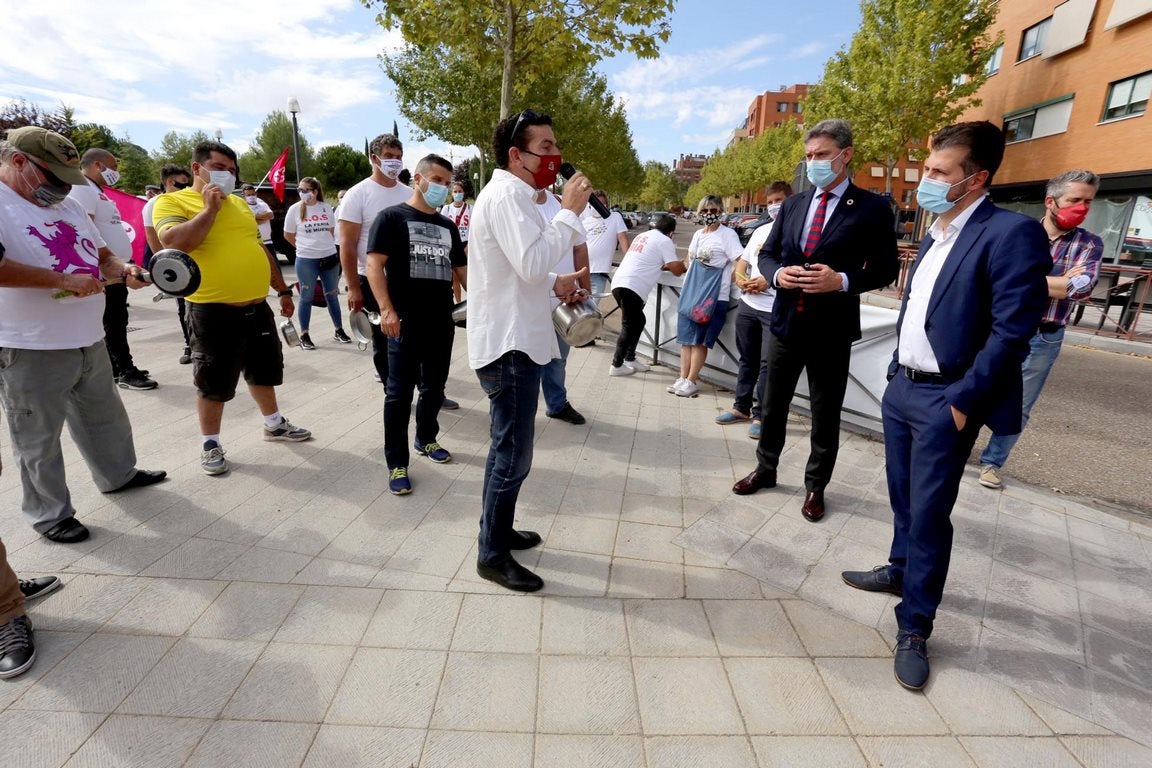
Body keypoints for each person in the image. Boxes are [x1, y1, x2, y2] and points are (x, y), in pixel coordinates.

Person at [841, 121, 1050, 690]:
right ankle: (899, 569)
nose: (925, 180)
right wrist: (893, 374)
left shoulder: (1012, 234)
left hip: (946, 399)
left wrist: (961, 405)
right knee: (903, 497)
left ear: (976, 178)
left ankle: (915, 625)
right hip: (902, 389)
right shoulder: (937, 232)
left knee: (931, 515)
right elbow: (919, 307)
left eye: (938, 172)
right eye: (928, 168)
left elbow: (1013, 333)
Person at [0, 127, 167, 543]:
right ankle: (50, 514)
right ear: (18, 162)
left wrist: (122, 270)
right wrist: (61, 280)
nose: (61, 188)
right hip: (29, 344)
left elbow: (101, 253)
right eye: (53, 177)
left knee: (104, 416)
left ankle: (118, 474)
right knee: (38, 437)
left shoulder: (68, 204)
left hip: (87, 335)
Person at [733, 119, 899, 524]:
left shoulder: (873, 208)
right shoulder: (792, 205)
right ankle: (766, 469)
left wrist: (841, 280)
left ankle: (815, 487)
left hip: (832, 329)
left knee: (826, 413)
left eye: (822, 155)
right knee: (772, 404)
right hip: (785, 322)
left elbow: (885, 268)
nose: (814, 164)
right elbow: (769, 253)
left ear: (846, 155)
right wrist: (776, 275)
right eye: (809, 157)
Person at [467, 108, 591, 592]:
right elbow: (532, 258)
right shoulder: (505, 196)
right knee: (512, 456)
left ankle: (497, 531)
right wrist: (569, 212)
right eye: (545, 148)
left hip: (521, 338)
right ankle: (491, 555)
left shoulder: (519, 196)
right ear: (516, 155)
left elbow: (526, 271)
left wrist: (557, 283)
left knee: (507, 452)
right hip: (510, 346)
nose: (555, 157)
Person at [154, 140, 312, 475]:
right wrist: (208, 209)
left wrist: (282, 289)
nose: (227, 174)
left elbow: (259, 249)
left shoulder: (240, 206)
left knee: (263, 368)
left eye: (231, 169)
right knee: (213, 379)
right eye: (219, 167)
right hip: (212, 309)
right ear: (197, 169)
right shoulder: (171, 202)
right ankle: (210, 443)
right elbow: (173, 242)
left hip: (257, 306)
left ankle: (273, 424)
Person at [975, 169, 1104, 490]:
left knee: (1020, 404)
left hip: (1045, 334)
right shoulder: (1018, 232)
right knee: (977, 386)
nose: (1082, 208)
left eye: (1088, 201)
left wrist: (1021, 280)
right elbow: (991, 278)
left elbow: (1080, 289)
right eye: (1075, 200)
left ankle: (992, 462)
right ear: (1051, 201)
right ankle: (956, 446)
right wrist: (1057, 282)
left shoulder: (1089, 244)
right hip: (998, 328)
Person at [366, 155, 468, 495]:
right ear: (418, 180)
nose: (442, 186)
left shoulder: (448, 226)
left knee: (435, 388)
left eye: (446, 180)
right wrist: (387, 310)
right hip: (403, 322)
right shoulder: (391, 218)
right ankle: (397, 462)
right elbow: (373, 266)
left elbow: (463, 273)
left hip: (441, 321)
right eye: (436, 179)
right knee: (398, 394)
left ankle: (426, 438)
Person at [69, 148, 157, 391]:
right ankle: (125, 370)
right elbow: (82, 230)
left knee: (116, 319)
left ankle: (117, 367)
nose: (115, 173)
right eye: (113, 168)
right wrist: (99, 268)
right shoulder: (82, 188)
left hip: (115, 268)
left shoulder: (97, 191)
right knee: (114, 321)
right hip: (104, 272)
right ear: (98, 165)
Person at [716, 182, 793, 438]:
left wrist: (768, 280)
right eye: (770, 202)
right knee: (747, 358)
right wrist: (740, 278)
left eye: (779, 200)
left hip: (775, 308)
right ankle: (741, 407)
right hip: (749, 305)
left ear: (791, 201)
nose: (774, 206)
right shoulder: (761, 231)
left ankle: (762, 416)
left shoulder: (795, 232)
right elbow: (744, 261)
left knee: (767, 364)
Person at [338, 133, 412, 384]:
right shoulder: (357, 195)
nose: (395, 162)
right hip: (371, 279)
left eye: (399, 157)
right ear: (374, 158)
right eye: (389, 157)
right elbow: (347, 246)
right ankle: (393, 390)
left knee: (414, 337)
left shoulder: (410, 193)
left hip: (407, 279)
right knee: (383, 339)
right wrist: (353, 288)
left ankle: (428, 390)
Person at [669, 195, 743, 398]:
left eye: (713, 210)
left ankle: (692, 380)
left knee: (700, 340)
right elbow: (688, 261)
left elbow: (739, 262)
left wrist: (736, 282)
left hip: (713, 298)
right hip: (691, 293)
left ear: (720, 211)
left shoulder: (727, 235)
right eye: (705, 210)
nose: (709, 214)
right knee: (686, 339)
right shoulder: (698, 235)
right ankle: (682, 377)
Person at [535, 187, 590, 425]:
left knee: (558, 357)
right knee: (524, 358)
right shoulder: (517, 202)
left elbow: (579, 247)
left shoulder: (562, 204)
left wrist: (585, 289)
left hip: (564, 300)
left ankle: (556, 404)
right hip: (529, 298)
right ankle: (514, 411)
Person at [608, 213, 685, 376]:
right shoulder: (665, 241)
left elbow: (648, 259)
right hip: (632, 287)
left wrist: (665, 265)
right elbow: (677, 270)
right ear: (671, 232)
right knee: (629, 325)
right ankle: (616, 365)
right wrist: (684, 264)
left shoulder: (643, 235)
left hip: (619, 282)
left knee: (638, 321)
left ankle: (630, 358)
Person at [284, 176, 351, 349]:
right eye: (299, 190)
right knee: (306, 298)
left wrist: (322, 246)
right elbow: (288, 235)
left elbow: (330, 230)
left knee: (332, 296)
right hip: (306, 260)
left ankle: (339, 330)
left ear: (315, 192)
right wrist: (303, 247)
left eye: (305, 190)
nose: (302, 193)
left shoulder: (325, 207)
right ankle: (304, 334)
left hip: (329, 258)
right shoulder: (294, 209)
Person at [142, 164, 193, 364]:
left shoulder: (188, 199)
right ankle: (190, 344)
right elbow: (152, 237)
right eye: (183, 183)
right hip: (178, 265)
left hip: (201, 261)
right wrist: (167, 265)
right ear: (170, 182)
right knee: (184, 307)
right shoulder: (154, 204)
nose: (187, 186)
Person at [581, 189, 629, 298]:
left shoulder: (615, 217)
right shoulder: (585, 222)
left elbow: (623, 239)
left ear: (606, 205)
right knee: (580, 309)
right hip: (581, 272)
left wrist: (629, 262)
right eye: (594, 203)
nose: (597, 206)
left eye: (601, 203)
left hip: (598, 273)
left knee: (592, 308)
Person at [441, 180, 471, 304]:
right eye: (455, 191)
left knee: (469, 277)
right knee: (455, 278)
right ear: (451, 194)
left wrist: (468, 247)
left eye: (460, 191)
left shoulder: (470, 208)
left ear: (464, 193)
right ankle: (458, 303)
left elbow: (474, 230)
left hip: (467, 245)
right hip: (452, 245)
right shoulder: (446, 209)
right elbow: (442, 229)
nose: (457, 194)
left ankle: (472, 302)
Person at [242, 183, 275, 256]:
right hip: (255, 243)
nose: (251, 197)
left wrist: (255, 216)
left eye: (253, 194)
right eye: (248, 195)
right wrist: (263, 218)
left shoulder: (262, 204)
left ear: (256, 194)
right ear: (244, 196)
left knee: (274, 265)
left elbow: (271, 215)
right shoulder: (244, 207)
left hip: (268, 241)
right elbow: (250, 222)